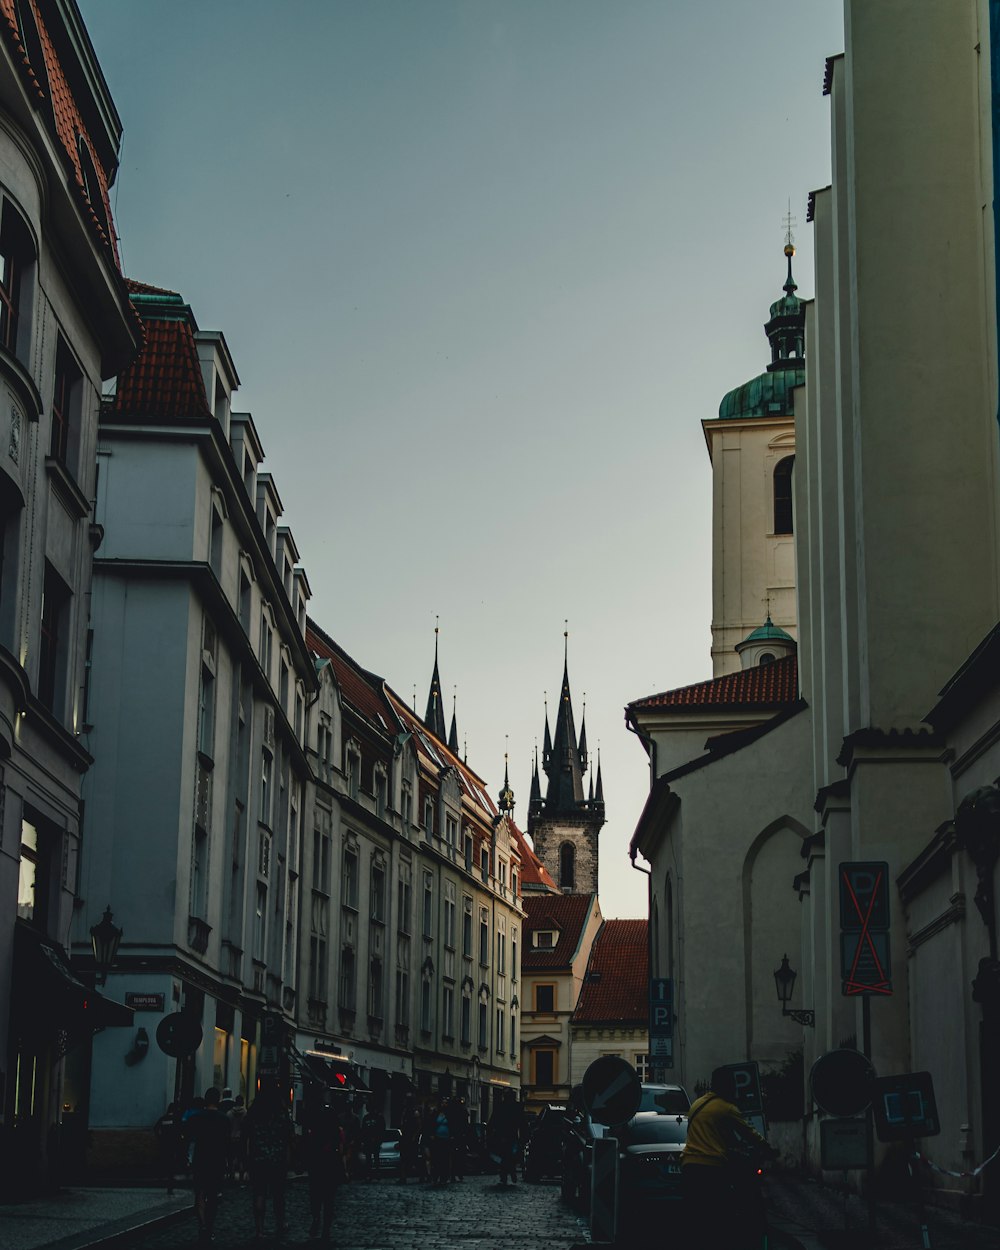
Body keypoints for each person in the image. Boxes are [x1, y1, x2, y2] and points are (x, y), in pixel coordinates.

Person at [680, 1068, 773, 1250]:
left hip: (689, 1166)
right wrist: (768, 1148)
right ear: (727, 1086)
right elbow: (748, 1133)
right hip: (711, 1167)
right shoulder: (726, 1108)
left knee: (695, 1215)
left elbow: (714, 1133)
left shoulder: (697, 1104)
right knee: (720, 1212)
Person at [244, 1080, 294, 1240]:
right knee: (278, 1194)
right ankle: (280, 1223)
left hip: (258, 1159)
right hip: (277, 1160)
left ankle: (259, 1229)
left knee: (259, 1193)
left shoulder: (253, 1113)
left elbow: (245, 1136)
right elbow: (290, 1137)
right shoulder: (282, 1114)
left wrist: (244, 1159)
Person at [186, 1087, 231, 1243]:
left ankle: (202, 1225)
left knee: (199, 1194)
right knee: (212, 1197)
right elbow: (227, 1144)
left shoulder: (196, 1118)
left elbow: (189, 1139)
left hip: (200, 1160)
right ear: (218, 1100)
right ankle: (209, 1227)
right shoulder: (224, 1120)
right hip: (216, 1161)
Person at [301, 1099, 345, 1241]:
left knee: (315, 1197)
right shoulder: (336, 1132)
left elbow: (308, 1149)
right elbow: (341, 1150)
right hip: (330, 1168)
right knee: (329, 1200)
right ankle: (325, 1227)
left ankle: (316, 1217)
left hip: (317, 1168)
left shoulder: (314, 1133)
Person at [487, 1089, 521, 1185]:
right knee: (510, 1156)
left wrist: (490, 1131)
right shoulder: (517, 1107)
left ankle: (505, 1175)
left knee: (503, 1156)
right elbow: (522, 1122)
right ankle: (510, 1172)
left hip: (502, 1136)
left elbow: (493, 1120)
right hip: (511, 1136)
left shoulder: (500, 1106)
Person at [153, 1101, 184, 1195]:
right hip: (173, 1144)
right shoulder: (176, 1119)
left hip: (164, 1143)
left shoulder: (163, 1119)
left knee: (163, 1160)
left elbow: (155, 1128)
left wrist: (160, 1138)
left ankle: (161, 1176)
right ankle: (170, 1185)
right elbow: (180, 1131)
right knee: (171, 1164)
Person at [398, 1096, 423, 1184]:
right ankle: (403, 1177)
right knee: (403, 1158)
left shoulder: (414, 1112)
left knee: (414, 1158)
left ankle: (422, 1175)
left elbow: (419, 1126)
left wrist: (414, 1136)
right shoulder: (405, 1111)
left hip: (411, 1138)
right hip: (405, 1137)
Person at [427, 1100, 451, 1186]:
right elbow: (430, 1124)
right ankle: (435, 1177)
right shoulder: (436, 1114)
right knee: (436, 1159)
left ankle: (444, 1177)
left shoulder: (449, 1114)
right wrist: (432, 1134)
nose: (444, 1104)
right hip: (437, 1139)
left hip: (446, 1140)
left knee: (445, 1159)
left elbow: (453, 1125)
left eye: (445, 1103)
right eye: (442, 1102)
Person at [360, 1104, 386, 1181]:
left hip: (376, 1141)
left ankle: (377, 1173)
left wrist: (379, 1140)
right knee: (368, 1159)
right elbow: (363, 1130)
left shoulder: (379, 1117)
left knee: (376, 1158)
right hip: (367, 1141)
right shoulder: (366, 1118)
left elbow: (382, 1130)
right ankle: (369, 1174)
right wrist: (364, 1140)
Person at [227, 1093, 248, 1183]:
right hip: (242, 1138)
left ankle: (231, 1176)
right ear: (242, 1102)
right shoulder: (246, 1113)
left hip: (231, 1138)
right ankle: (241, 1177)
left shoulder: (229, 1113)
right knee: (241, 1159)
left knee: (231, 1158)